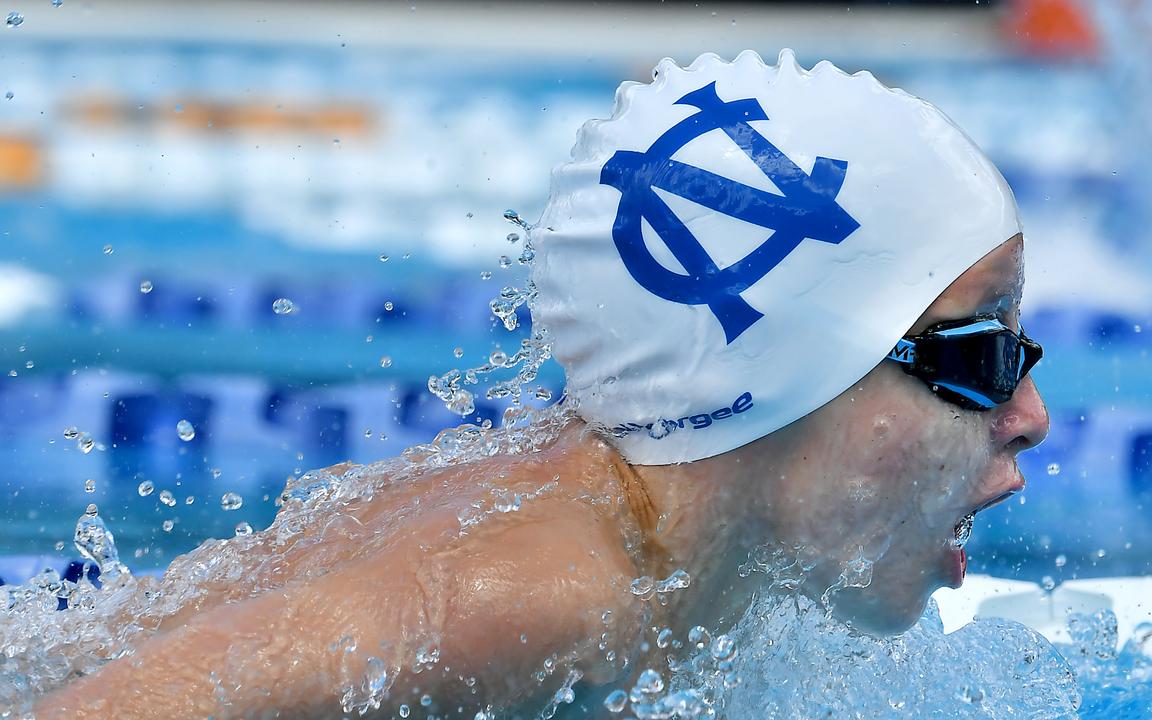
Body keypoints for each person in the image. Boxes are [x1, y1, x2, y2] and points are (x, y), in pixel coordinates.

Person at [32, 51, 1048, 719]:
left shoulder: (662, 537)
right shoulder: (554, 598)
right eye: (977, 354)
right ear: (783, 371)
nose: (1030, 417)